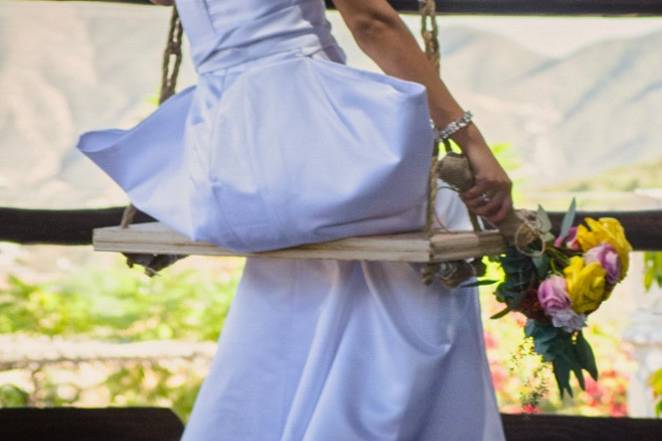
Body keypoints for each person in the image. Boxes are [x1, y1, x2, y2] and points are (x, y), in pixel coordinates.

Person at [78, 0, 511, 439]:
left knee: (304, 264)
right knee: (444, 211)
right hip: (301, 121)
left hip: (224, 158)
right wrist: (471, 141)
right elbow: (372, 21)